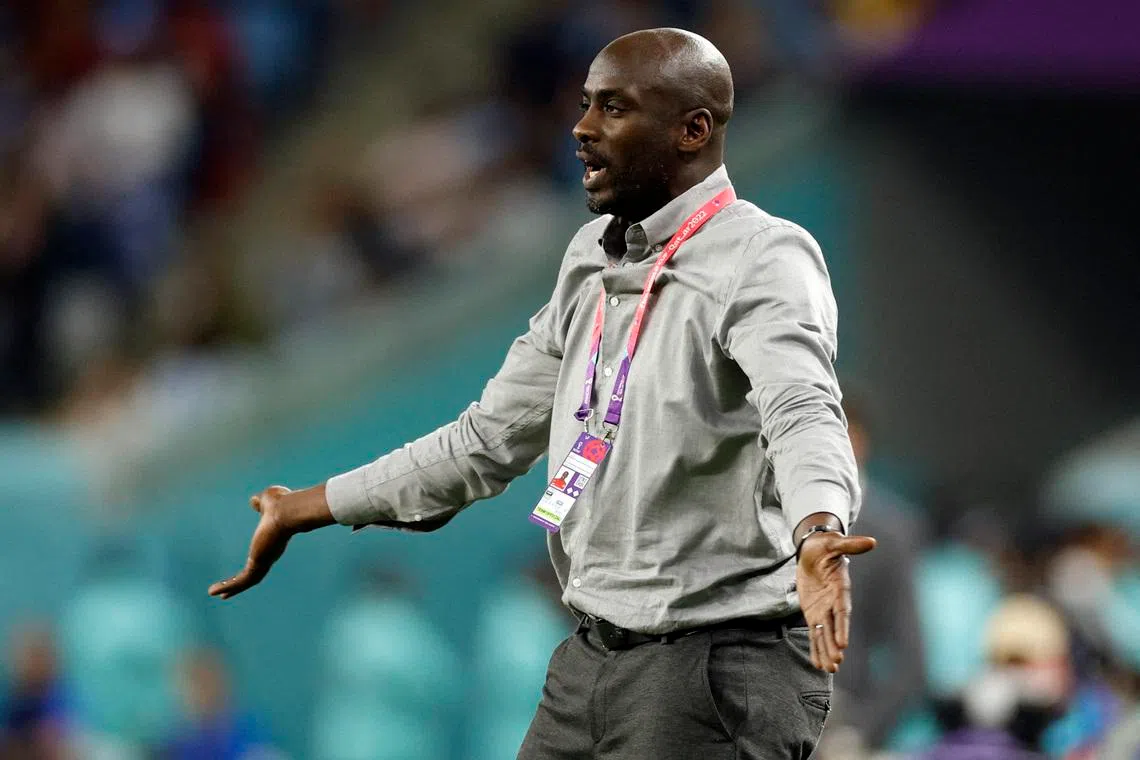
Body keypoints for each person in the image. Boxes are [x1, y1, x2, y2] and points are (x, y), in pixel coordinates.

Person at [209, 27, 875, 759]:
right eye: (586, 105)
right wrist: (305, 505)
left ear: (693, 130)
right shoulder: (591, 258)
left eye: (614, 109)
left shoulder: (764, 256)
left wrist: (817, 529)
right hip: (592, 656)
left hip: (712, 662)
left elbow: (804, 406)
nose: (582, 129)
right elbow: (485, 441)